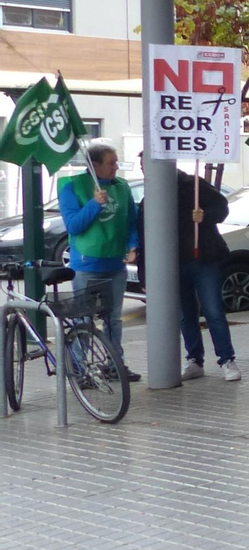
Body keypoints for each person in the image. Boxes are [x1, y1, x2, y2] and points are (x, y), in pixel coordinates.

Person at [58, 140, 140, 380]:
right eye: (111, 163)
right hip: (86, 265)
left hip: (115, 265)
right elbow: (74, 225)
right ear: (94, 165)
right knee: (84, 319)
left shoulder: (122, 187)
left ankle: (115, 365)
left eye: (116, 163)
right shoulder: (72, 187)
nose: (116, 167)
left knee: (113, 319)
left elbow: (131, 221)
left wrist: (132, 245)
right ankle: (78, 370)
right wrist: (95, 204)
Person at [173, 166, 241, 382]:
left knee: (213, 311)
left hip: (203, 258)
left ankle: (227, 359)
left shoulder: (193, 184)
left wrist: (206, 215)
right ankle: (194, 359)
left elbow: (222, 207)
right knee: (186, 314)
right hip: (176, 260)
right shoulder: (153, 192)